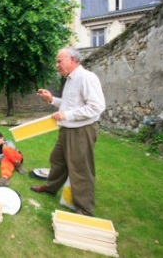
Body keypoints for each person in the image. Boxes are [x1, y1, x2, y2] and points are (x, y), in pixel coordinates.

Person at [31, 47, 106, 217]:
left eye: (59, 61)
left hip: (81, 131)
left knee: (80, 169)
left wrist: (66, 115)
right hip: (67, 129)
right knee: (57, 159)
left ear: (72, 59)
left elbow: (96, 107)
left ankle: (84, 209)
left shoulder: (87, 77)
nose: (56, 65)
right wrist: (51, 99)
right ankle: (50, 188)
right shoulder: (71, 80)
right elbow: (69, 104)